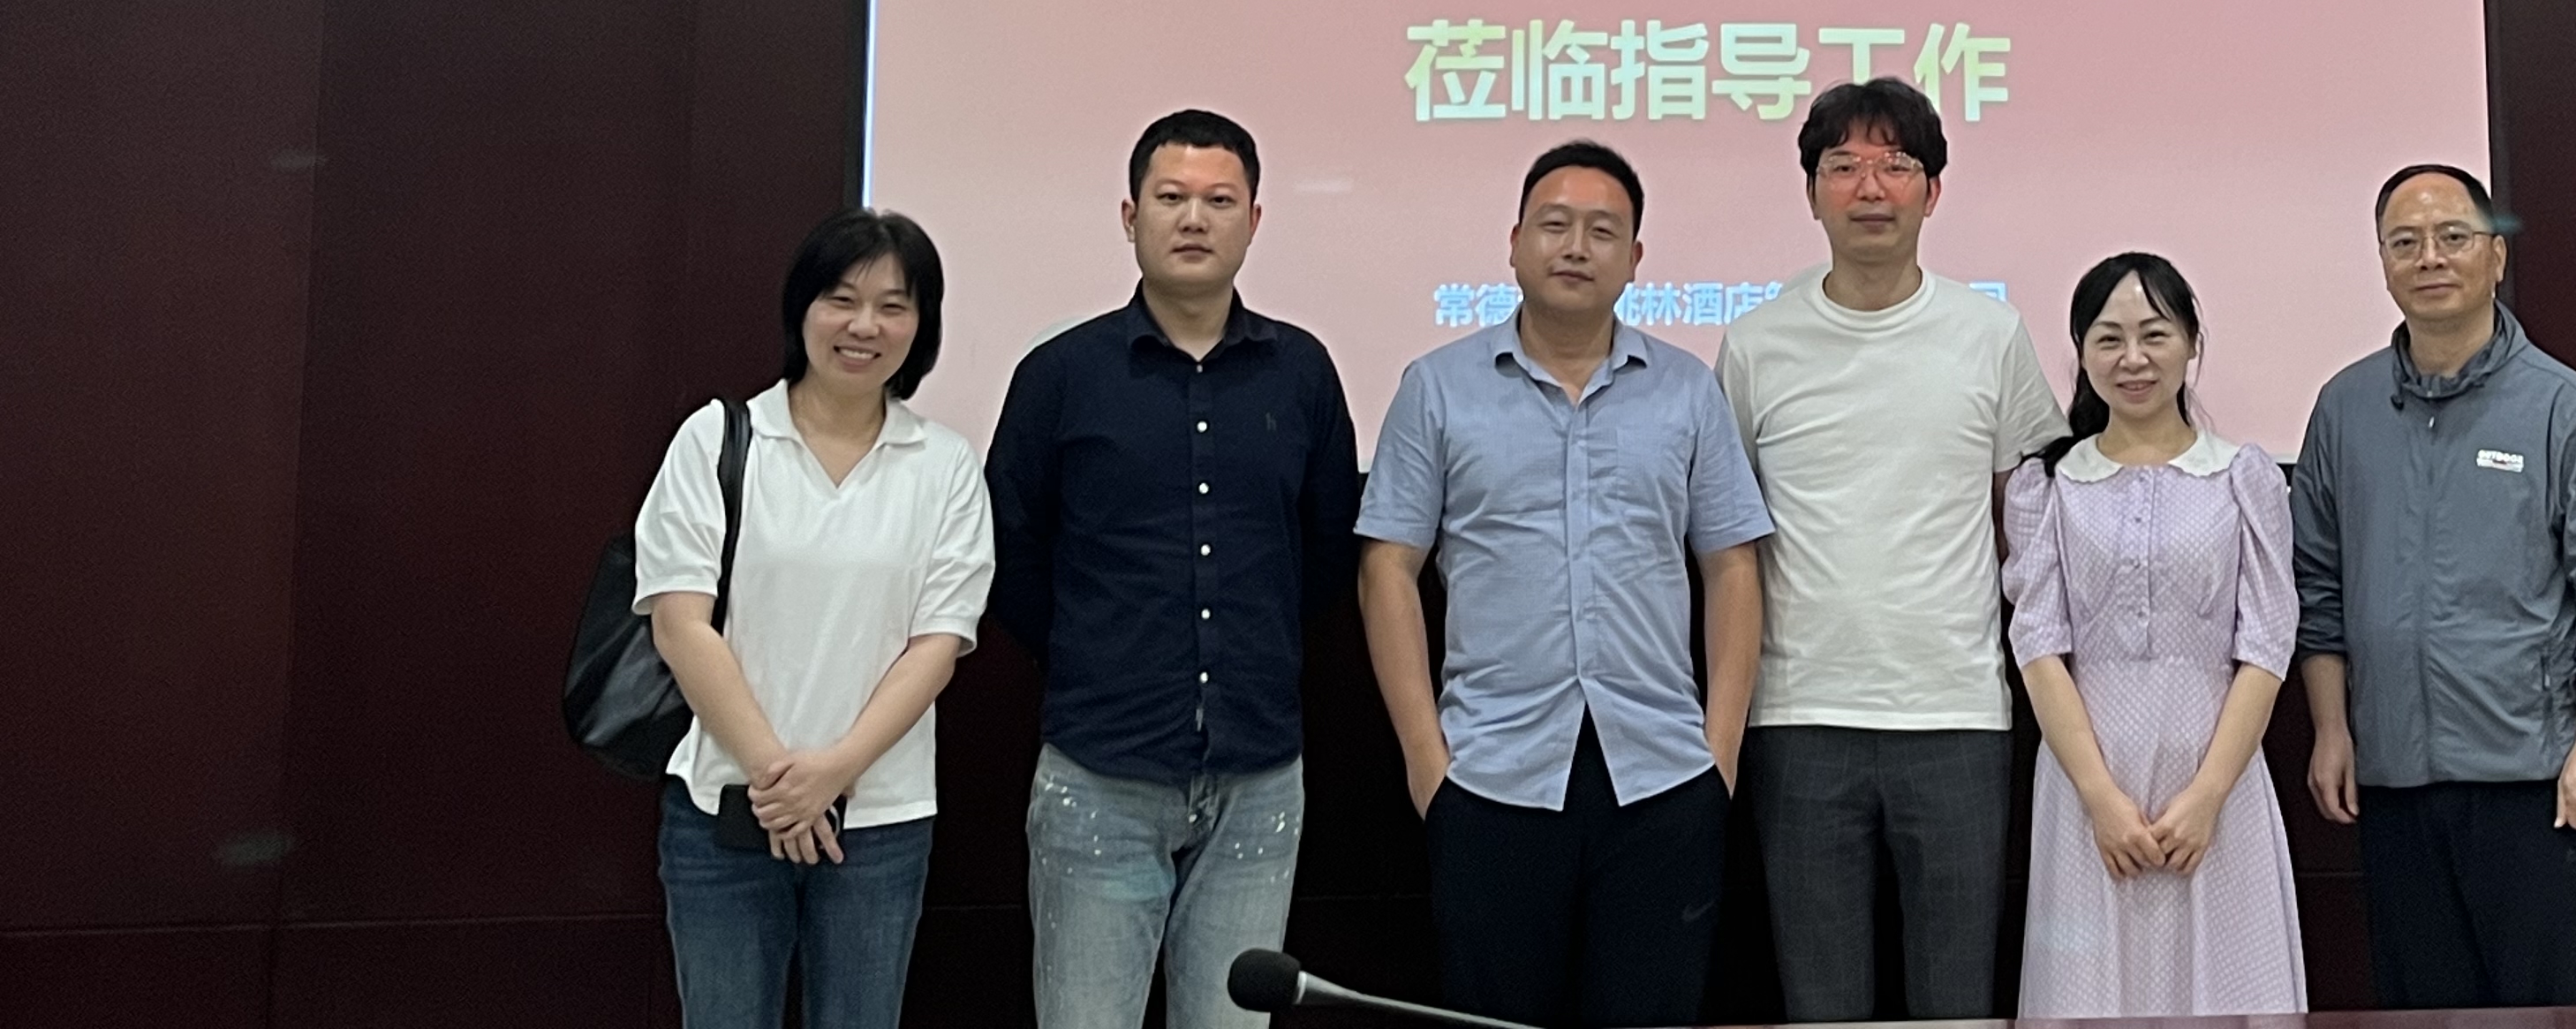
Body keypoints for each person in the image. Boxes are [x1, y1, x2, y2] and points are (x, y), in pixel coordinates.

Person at [1357, 140, 1774, 1029]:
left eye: (1602, 230)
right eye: (1554, 225)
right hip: (1490, 774)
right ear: (1513, 243)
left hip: (1662, 777)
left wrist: (1721, 753)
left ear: (1636, 258)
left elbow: (1732, 565)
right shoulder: (1437, 389)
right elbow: (1388, 567)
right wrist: (1427, 762)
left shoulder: (1687, 391)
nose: (1576, 247)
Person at [987, 110, 1361, 1029]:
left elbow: (1323, 553)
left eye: (1220, 201)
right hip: (1099, 775)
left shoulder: (1302, 372)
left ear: (1254, 221)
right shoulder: (1060, 374)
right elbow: (1012, 554)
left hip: (1258, 783)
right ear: (1130, 216)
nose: (1194, 219)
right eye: (1171, 198)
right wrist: (1097, 655)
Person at [1718, 76, 2068, 1023]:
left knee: (1956, 1003)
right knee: (1820, 1004)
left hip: (1956, 716)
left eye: (1896, 165)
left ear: (1932, 191)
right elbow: (1727, 542)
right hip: (1799, 718)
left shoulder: (1989, 335)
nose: (1870, 188)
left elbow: (2028, 522)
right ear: (1811, 192)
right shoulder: (1755, 345)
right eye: (1844, 167)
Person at [2293, 163, 2576, 1008]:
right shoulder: (2344, 410)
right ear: (2383, 263)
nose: (2430, 257)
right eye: (2405, 242)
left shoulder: (2562, 407)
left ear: (2496, 255)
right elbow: (2316, 584)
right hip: (2393, 788)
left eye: (2453, 237)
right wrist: (2332, 729)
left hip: (2537, 786)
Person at [638, 208, 993, 1029]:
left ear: (922, 327)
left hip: (879, 821)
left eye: (894, 306)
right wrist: (781, 781)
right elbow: (680, 624)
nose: (865, 326)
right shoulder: (718, 438)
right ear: (802, 309)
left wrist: (835, 772)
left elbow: (938, 644)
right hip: (725, 811)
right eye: (842, 299)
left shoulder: (945, 467)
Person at [2005, 253, 2306, 1020]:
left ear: (2192, 343)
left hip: (2217, 778)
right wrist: (2101, 800)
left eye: (2154, 334)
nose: (2132, 358)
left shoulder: (2244, 476)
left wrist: (2207, 796)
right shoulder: (2048, 485)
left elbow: (2267, 644)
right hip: (2087, 782)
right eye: (2109, 339)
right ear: (2081, 352)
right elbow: (2038, 646)